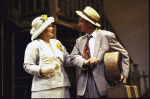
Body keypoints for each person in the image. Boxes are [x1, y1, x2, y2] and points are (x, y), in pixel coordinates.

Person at [70, 6, 130, 98]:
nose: (78, 24)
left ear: (89, 24)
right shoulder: (80, 41)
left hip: (102, 85)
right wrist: (84, 62)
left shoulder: (106, 36)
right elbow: (73, 57)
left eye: (81, 21)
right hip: (83, 86)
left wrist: (124, 75)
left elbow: (124, 54)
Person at [23, 15, 71, 98]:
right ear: (42, 30)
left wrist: (80, 57)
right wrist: (42, 70)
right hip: (43, 89)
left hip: (62, 86)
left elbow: (67, 59)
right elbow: (27, 66)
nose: (52, 28)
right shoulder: (34, 45)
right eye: (49, 26)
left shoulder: (56, 43)